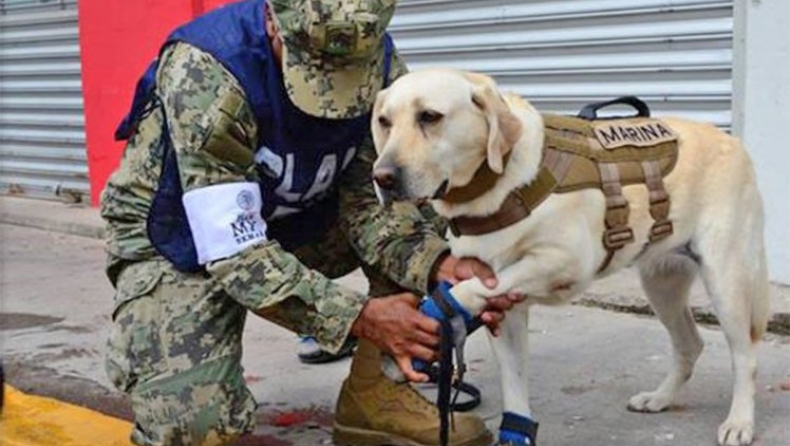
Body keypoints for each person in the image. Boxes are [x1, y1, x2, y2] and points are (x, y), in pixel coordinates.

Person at [101, 1, 520, 445]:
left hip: (297, 218)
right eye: (319, 69)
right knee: (194, 425)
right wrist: (358, 317)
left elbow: (372, 200)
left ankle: (374, 395)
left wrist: (438, 265)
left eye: (351, 72)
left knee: (418, 195)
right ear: (274, 23)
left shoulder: (377, 57)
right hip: (176, 239)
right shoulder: (207, 72)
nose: (336, 96)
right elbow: (233, 250)